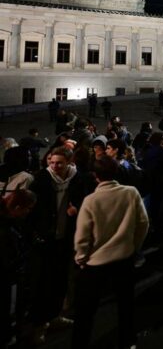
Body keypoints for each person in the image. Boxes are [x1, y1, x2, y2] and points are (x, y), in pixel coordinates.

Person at [71, 156, 149, 349]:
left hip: (95, 263)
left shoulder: (91, 200)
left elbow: (82, 236)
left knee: (85, 312)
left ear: (95, 176)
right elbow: (143, 223)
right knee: (126, 305)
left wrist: (81, 258)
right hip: (124, 258)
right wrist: (133, 246)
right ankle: (127, 341)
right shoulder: (131, 193)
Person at [27, 147, 95, 345]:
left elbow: (86, 201)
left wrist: (78, 208)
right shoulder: (40, 180)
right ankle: (39, 325)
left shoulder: (78, 178)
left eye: (59, 163)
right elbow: (32, 212)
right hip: (44, 240)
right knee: (41, 283)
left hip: (66, 238)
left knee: (60, 280)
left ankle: (55, 316)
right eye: (52, 162)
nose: (55, 166)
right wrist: (36, 235)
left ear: (69, 163)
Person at [1, 189, 37, 348]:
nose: (28, 213)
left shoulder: (9, 223)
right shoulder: (6, 229)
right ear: (17, 208)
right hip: (7, 278)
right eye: (27, 209)